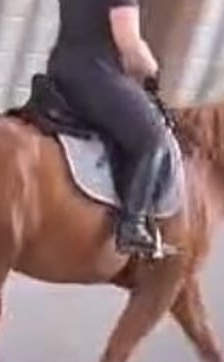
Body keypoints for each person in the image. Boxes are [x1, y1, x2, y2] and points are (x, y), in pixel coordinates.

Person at [47, 0, 174, 257]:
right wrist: (152, 70)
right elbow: (128, 42)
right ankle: (133, 225)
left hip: (62, 67)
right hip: (96, 73)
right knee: (153, 138)